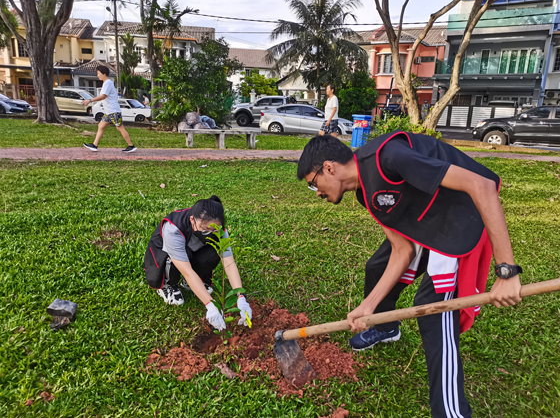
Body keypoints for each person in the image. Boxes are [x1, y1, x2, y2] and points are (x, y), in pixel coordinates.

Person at [297, 132, 523, 417]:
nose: (316, 192)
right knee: (377, 267)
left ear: (329, 167)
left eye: (312, 183)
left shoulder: (389, 157)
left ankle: (451, 413)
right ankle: (385, 326)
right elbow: (401, 250)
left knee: (433, 310)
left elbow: (483, 186)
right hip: (429, 221)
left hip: (460, 218)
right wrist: (368, 307)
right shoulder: (364, 194)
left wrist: (506, 271)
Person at [143, 195, 252, 331]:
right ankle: (168, 285)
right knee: (179, 260)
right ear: (192, 220)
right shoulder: (173, 228)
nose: (209, 233)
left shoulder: (220, 230)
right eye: (205, 229)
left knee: (214, 252)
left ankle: (191, 284)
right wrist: (211, 305)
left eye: (213, 230)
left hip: (192, 250)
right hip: (165, 254)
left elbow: (229, 263)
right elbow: (187, 271)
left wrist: (241, 296)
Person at [82, 65, 136, 153]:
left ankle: (131, 146)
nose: (97, 75)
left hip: (113, 111)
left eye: (98, 73)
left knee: (120, 128)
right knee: (101, 126)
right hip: (109, 111)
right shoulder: (107, 83)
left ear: (104, 74)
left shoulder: (108, 83)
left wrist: (90, 100)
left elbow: (103, 96)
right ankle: (94, 145)